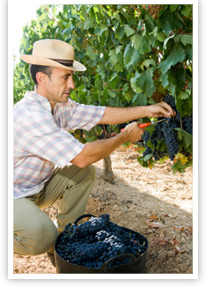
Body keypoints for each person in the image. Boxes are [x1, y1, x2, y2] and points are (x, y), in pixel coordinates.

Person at [14, 39, 175, 256]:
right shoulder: (30, 115)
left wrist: (147, 109)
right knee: (41, 236)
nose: (72, 85)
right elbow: (81, 156)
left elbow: (103, 114)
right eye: (65, 77)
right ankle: (48, 239)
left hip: (35, 188)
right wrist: (124, 137)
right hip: (11, 195)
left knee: (82, 173)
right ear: (42, 78)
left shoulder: (59, 106)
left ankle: (63, 243)